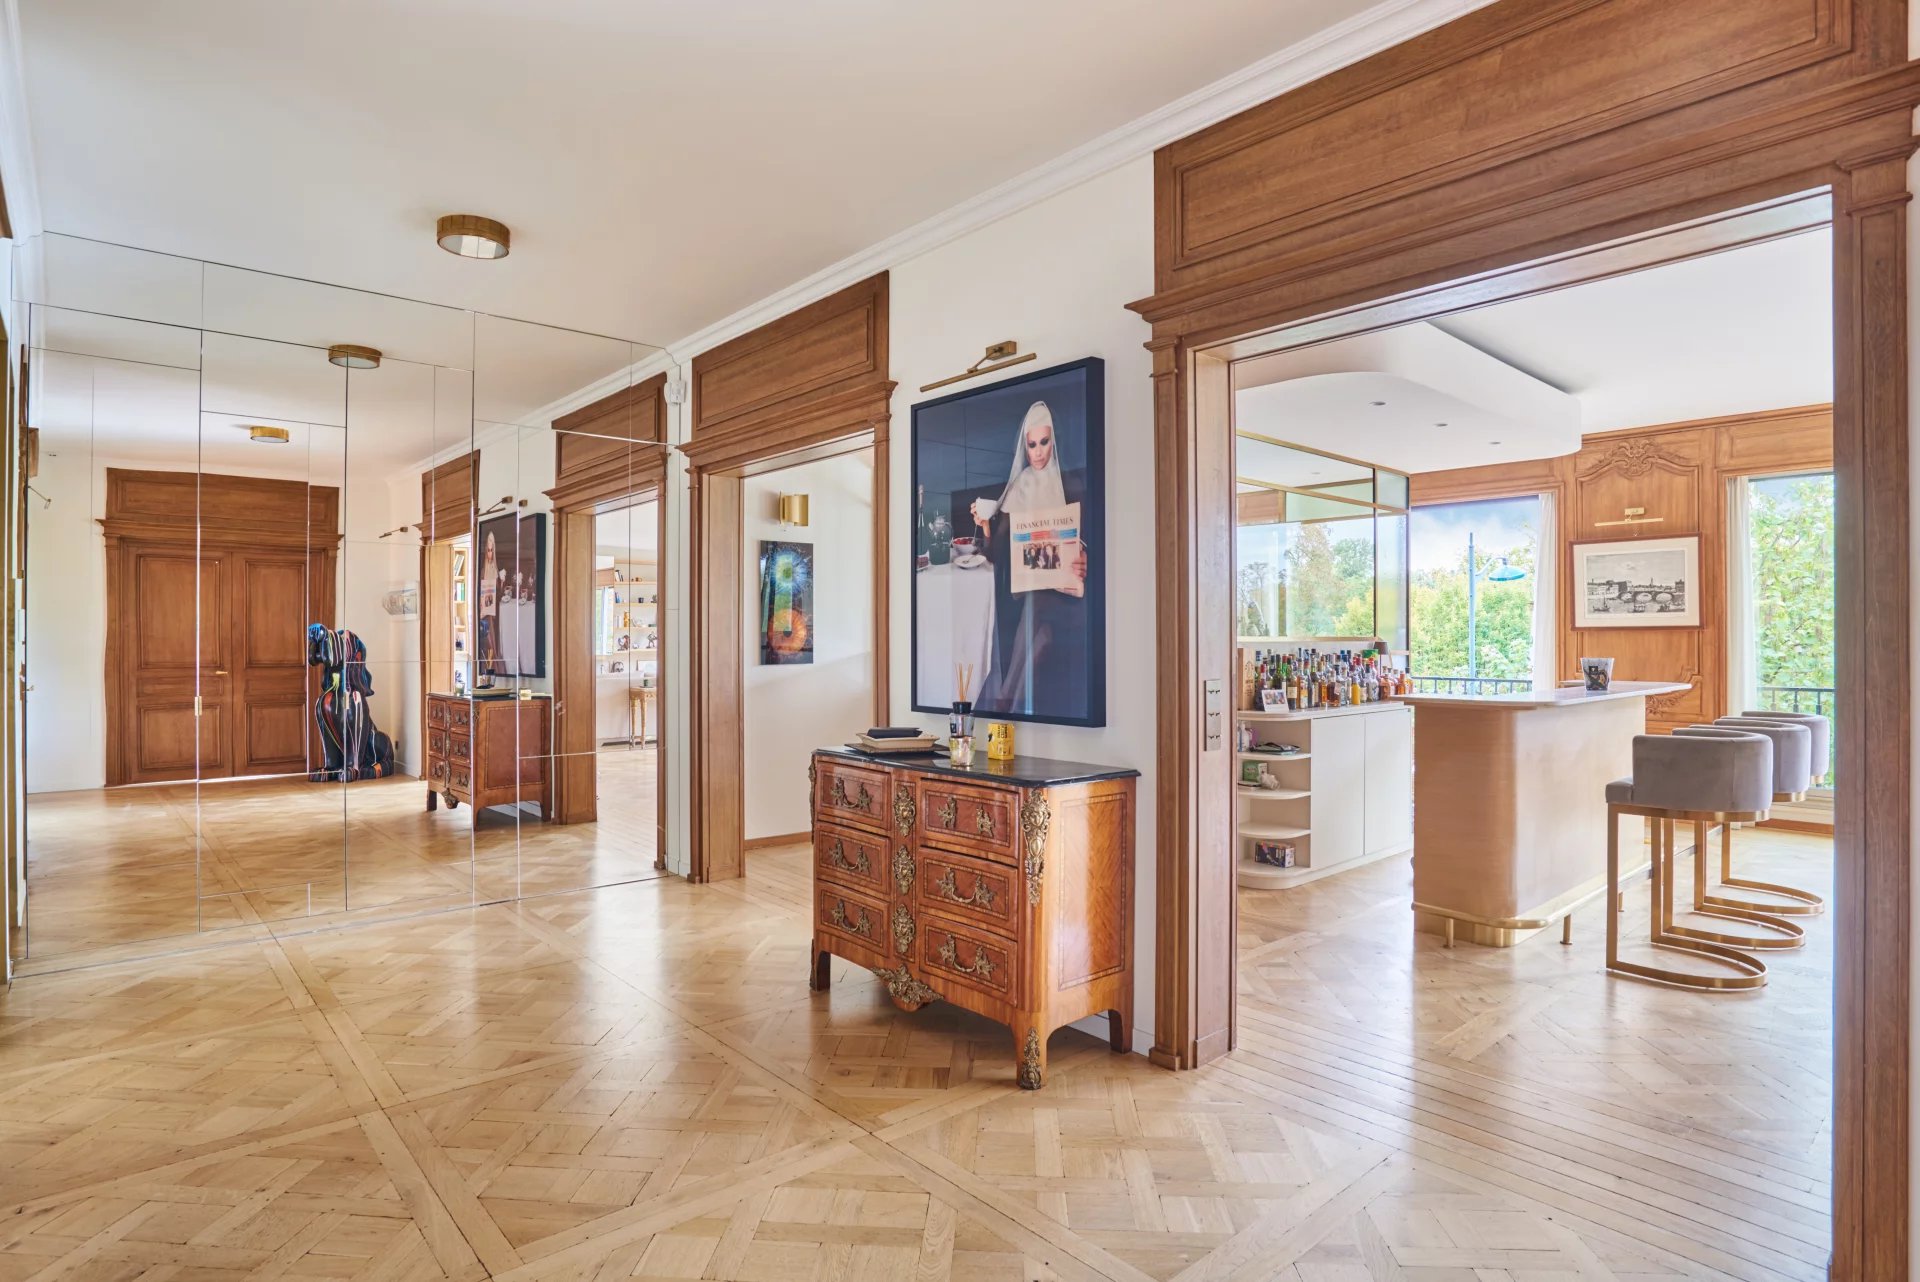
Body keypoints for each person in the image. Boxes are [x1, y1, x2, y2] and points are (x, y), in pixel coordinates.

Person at [967, 400, 1092, 716]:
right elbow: (997, 553)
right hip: (1025, 594)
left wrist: (1085, 558)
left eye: (1044, 442)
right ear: (1025, 446)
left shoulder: (1070, 484)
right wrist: (986, 526)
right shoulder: (1020, 485)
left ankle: (1007, 695)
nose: (1038, 452)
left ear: (1054, 441)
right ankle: (1011, 695)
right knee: (1036, 612)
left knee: (1039, 607)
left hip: (1066, 597)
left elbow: (1091, 542)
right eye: (1032, 444)